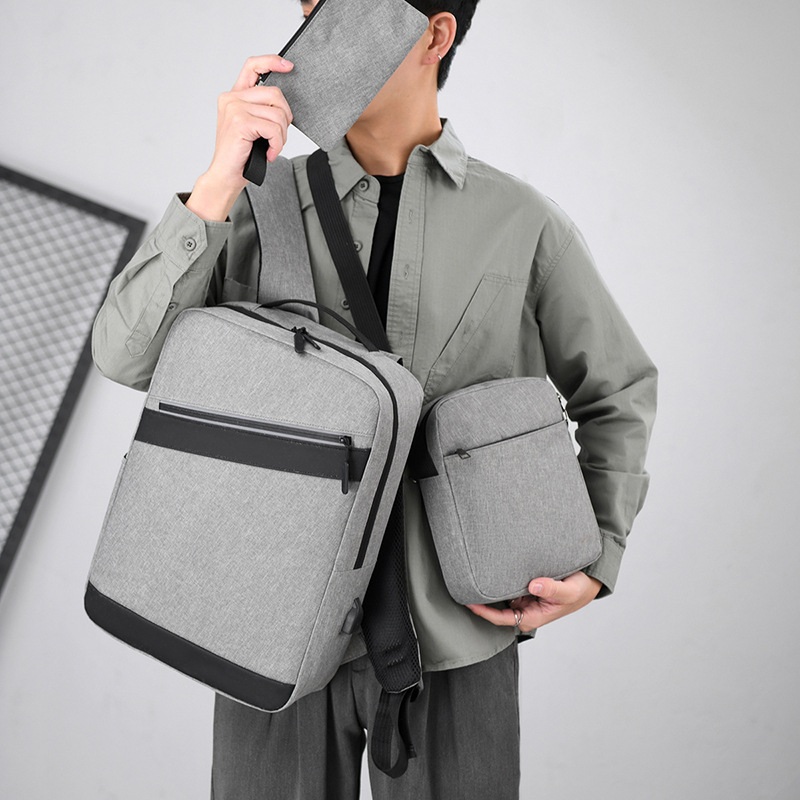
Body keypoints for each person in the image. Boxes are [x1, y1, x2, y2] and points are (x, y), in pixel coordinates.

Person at [91, 0, 658, 796]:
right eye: (308, 9)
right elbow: (125, 355)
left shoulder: (522, 224)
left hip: (457, 632)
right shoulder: (255, 203)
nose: (312, 34)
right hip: (267, 620)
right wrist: (219, 177)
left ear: (434, 34)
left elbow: (618, 388)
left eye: (346, 8)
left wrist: (599, 555)